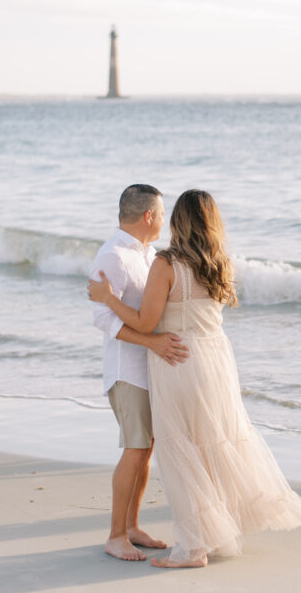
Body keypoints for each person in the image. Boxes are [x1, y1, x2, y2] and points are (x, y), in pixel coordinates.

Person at [89, 189, 301, 568]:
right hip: (214, 361)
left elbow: (146, 321)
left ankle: (192, 546)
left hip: (177, 362)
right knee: (210, 443)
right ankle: (212, 532)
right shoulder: (218, 261)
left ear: (178, 220)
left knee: (180, 452)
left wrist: (108, 297)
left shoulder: (164, 262)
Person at [90, 184, 189, 562]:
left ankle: (131, 527)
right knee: (134, 449)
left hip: (150, 371)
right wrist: (152, 344)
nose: (164, 220)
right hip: (126, 371)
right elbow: (102, 318)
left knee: (144, 449)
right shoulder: (113, 255)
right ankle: (115, 535)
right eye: (162, 214)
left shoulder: (148, 256)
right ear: (149, 216)